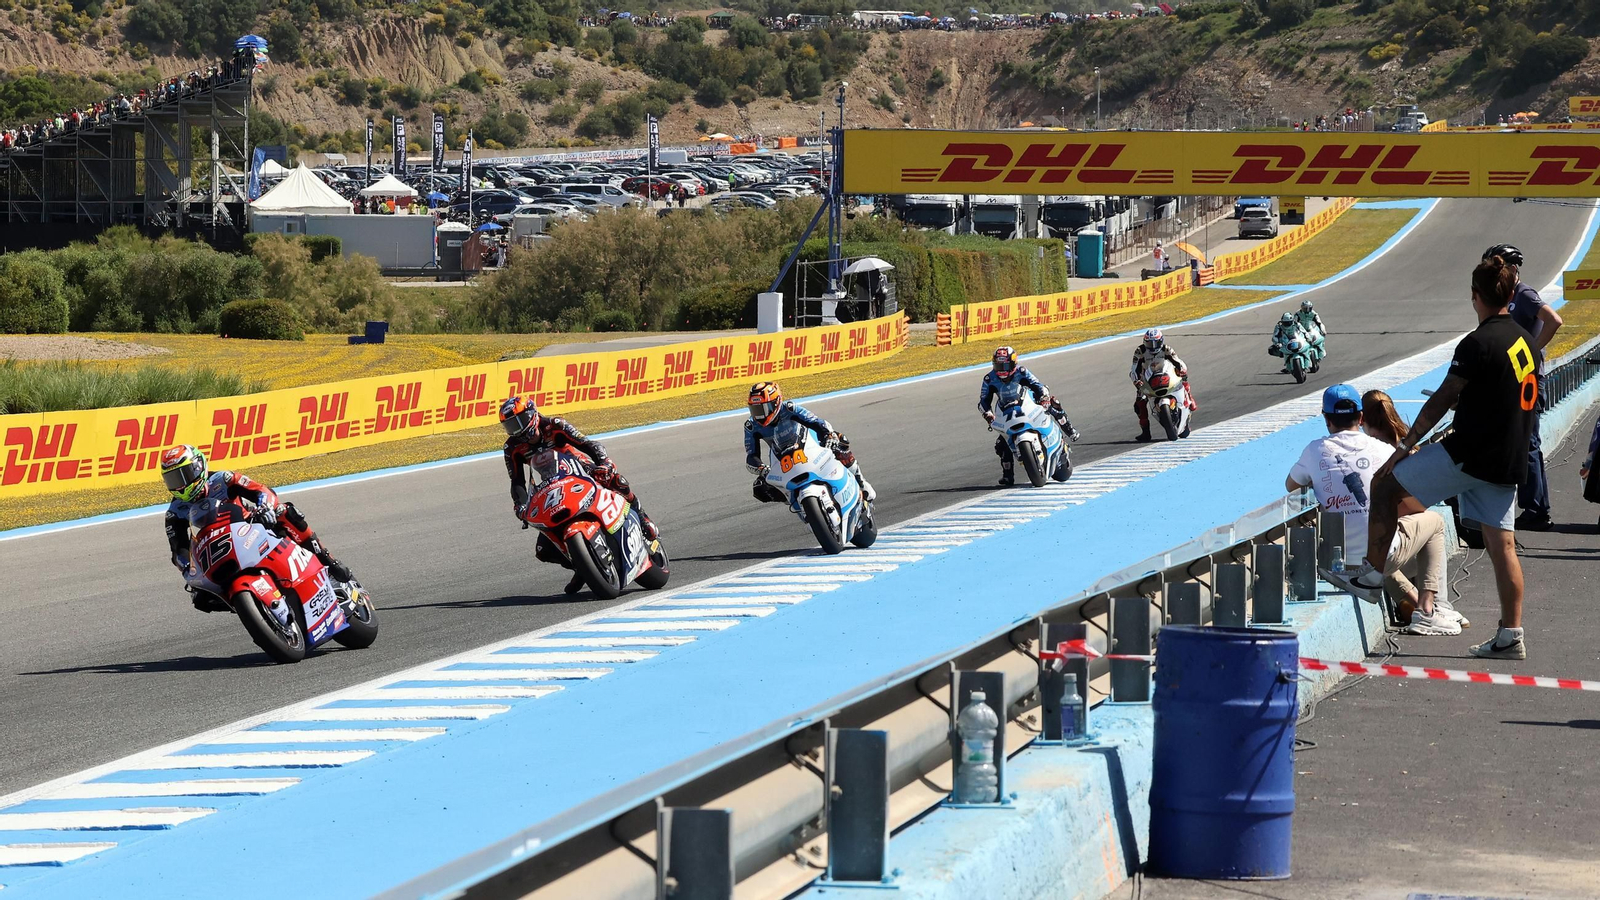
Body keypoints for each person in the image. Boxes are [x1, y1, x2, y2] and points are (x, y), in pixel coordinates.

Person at [1328, 255, 1536, 659]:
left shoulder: (1476, 343)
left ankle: (1372, 576)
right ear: (1511, 295)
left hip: (1468, 455)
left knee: (1384, 484)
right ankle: (1512, 635)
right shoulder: (1525, 340)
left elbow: (1444, 398)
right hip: (1508, 460)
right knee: (1503, 548)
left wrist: (1403, 449)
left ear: (1475, 297)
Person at [159, 444, 352, 614]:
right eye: (172, 479)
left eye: (182, 476)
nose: (180, 485)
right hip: (217, 551)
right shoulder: (174, 513)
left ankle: (327, 559)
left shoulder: (223, 479)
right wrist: (187, 569)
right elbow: (178, 550)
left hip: (251, 528)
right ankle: (249, 604)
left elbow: (261, 490)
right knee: (201, 599)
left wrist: (265, 508)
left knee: (284, 511)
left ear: (198, 467)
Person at [500, 395, 660, 594]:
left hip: (580, 470)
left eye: (519, 422)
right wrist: (520, 505)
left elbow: (587, 444)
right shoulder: (512, 447)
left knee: (616, 481)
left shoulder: (555, 425)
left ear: (532, 413)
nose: (516, 430)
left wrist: (604, 463)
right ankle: (582, 567)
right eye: (510, 426)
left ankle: (643, 519)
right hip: (549, 485)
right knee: (544, 549)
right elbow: (517, 481)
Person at [1358, 388, 1469, 633]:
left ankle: (1420, 603)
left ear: (1361, 419)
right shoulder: (1405, 445)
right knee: (1404, 542)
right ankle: (1434, 604)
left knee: (1377, 553)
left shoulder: (1371, 451)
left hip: (1391, 551)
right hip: (1416, 547)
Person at [1488, 244, 1563, 531]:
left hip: (1529, 381)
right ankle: (1534, 507)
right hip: (1515, 380)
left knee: (1528, 445)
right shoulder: (1506, 295)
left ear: (1511, 267)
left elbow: (1555, 320)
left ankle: (1536, 510)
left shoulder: (1524, 294)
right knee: (1525, 444)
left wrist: (1533, 349)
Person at [744, 381, 875, 502]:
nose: (759, 415)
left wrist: (828, 436)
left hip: (804, 444)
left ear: (776, 403)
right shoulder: (751, 425)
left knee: (840, 440)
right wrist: (762, 468)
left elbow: (816, 422)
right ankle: (797, 504)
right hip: (781, 458)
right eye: (755, 409)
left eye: (763, 409)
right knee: (760, 488)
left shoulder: (790, 408)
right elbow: (752, 455)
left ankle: (861, 482)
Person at [978, 346, 1081, 486]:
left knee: (1053, 404)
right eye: (998, 365)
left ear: (1013, 363)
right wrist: (988, 414)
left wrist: (1043, 397)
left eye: (1005, 365)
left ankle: (1070, 430)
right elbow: (983, 401)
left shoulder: (1022, 372)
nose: (1001, 369)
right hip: (1008, 410)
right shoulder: (989, 378)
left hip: (1028, 402)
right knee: (1001, 443)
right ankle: (1008, 475)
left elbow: (1036, 384)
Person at [1129, 327, 1194, 442]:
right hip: (1147, 380)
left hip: (1166, 375)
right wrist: (1136, 380)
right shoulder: (1140, 351)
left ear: (1161, 341)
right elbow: (1134, 369)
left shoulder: (1166, 349)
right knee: (1139, 404)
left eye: (1156, 343)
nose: (1153, 346)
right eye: (1150, 343)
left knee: (1184, 381)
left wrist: (1182, 369)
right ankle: (1145, 432)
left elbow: (1177, 360)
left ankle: (1190, 401)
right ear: (1145, 342)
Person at [1294, 298, 1326, 369]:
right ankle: (1293, 365)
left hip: (1311, 330)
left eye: (1309, 308)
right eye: (1305, 308)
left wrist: (1322, 329)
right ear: (1302, 308)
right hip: (1301, 331)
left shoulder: (1314, 314)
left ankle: (1322, 350)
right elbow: (1294, 324)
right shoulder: (1298, 314)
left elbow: (1319, 322)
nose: (1307, 310)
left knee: (1322, 337)